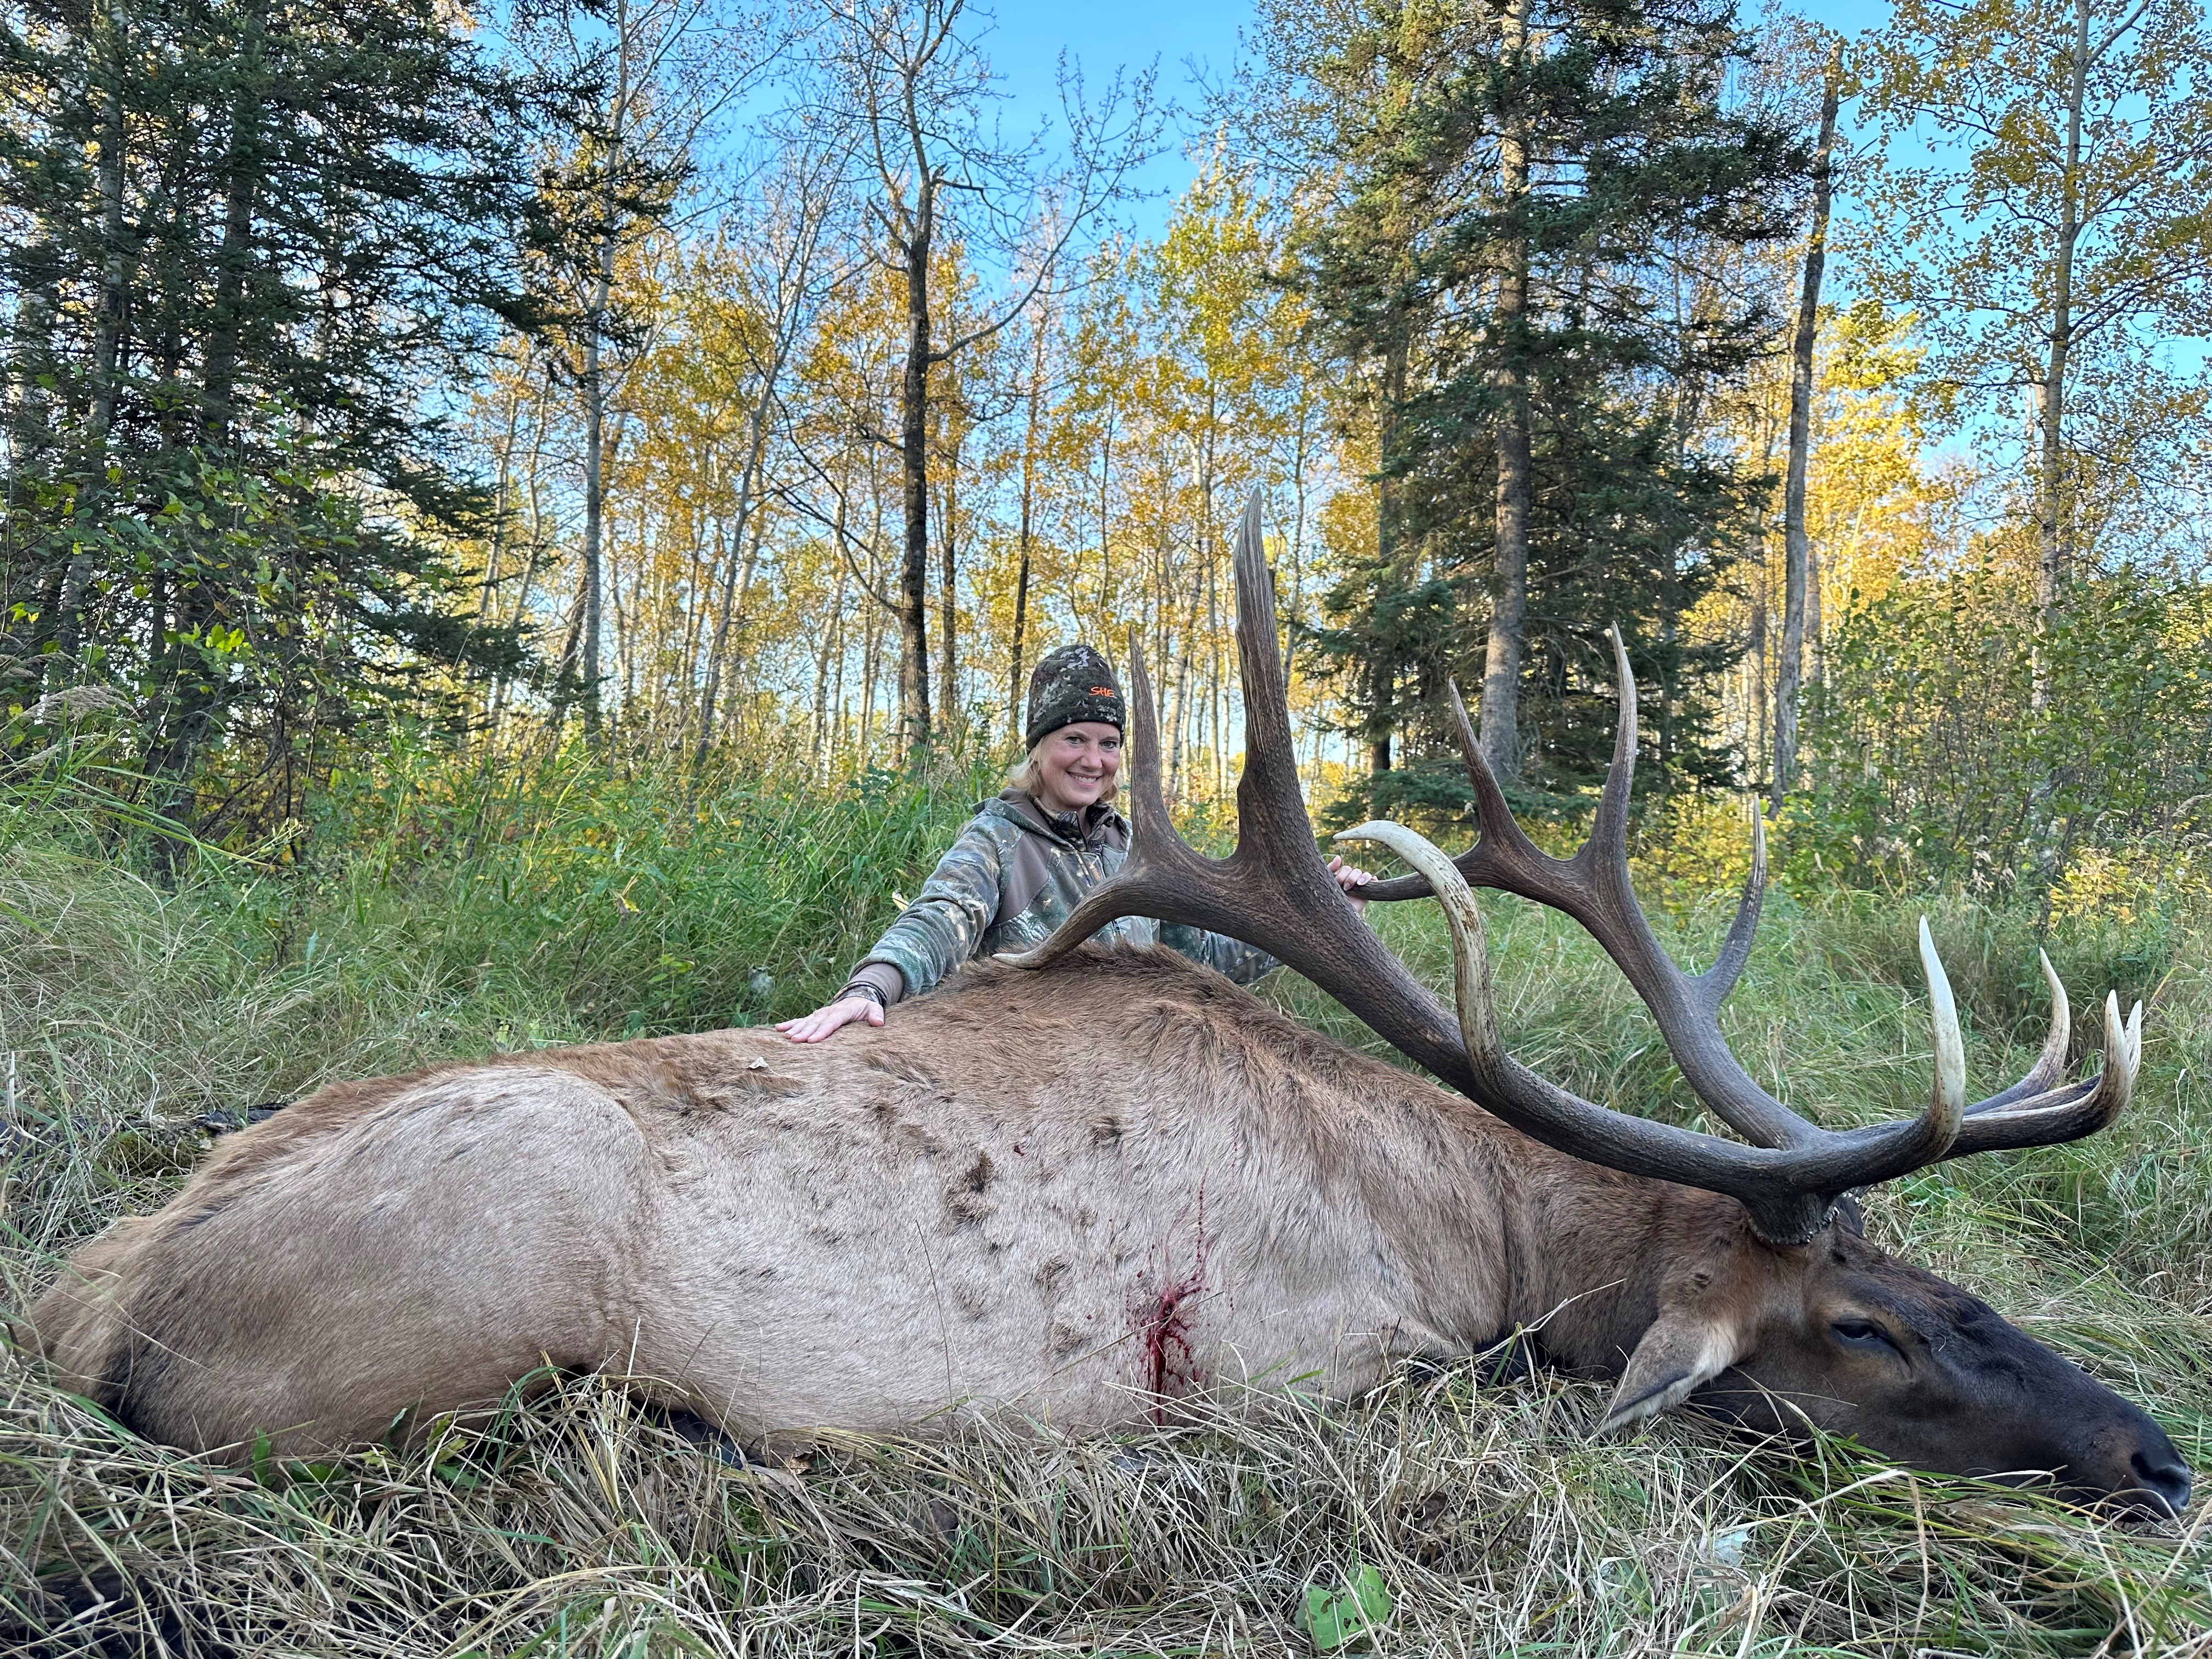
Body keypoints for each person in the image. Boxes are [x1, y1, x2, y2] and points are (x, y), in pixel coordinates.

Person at [778, 643, 1375, 1043]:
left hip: (1134, 1079)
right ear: (1038, 746)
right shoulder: (999, 839)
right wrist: (872, 987)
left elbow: (1207, 960)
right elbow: (941, 917)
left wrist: (1323, 916)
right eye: (1074, 739)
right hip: (1032, 1072)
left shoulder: (1136, 850)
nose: (1093, 761)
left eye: (1109, 743)